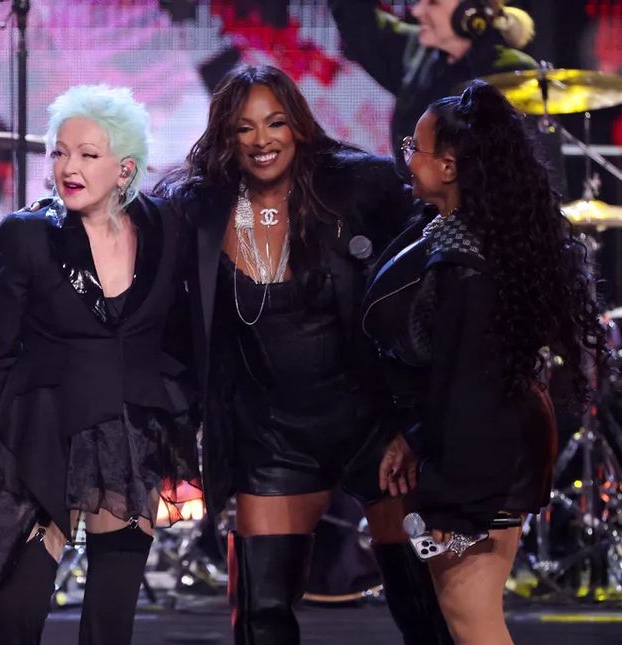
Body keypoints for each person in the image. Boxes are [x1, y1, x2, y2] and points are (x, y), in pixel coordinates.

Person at [156, 63, 443, 644]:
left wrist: (412, 422)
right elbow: (157, 307)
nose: (262, 140)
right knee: (261, 618)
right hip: (275, 435)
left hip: (374, 426)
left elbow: (427, 295)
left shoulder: (360, 187)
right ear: (225, 137)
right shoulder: (197, 209)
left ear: (298, 126)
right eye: (244, 129)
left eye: (275, 123)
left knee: (424, 608)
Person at [0, 84, 198, 645]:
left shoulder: (167, 228)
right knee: (19, 613)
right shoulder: (27, 235)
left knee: (111, 616)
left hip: (130, 437)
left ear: (124, 169)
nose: (66, 167)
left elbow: (181, 337)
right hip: (44, 434)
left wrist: (186, 424)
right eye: (58, 152)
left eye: (86, 155)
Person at [361, 80, 605, 644]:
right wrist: (418, 440)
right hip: (484, 453)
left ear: (448, 167)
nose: (407, 158)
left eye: (414, 148)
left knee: (472, 620)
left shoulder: (467, 265)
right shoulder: (462, 238)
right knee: (466, 616)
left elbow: (472, 392)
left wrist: (454, 506)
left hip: (484, 464)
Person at [329, 0, 564, 189]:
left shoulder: (512, 72)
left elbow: (533, 172)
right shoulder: (417, 54)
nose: (418, 10)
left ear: (469, 13)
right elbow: (357, 20)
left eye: (432, 3)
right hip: (416, 216)